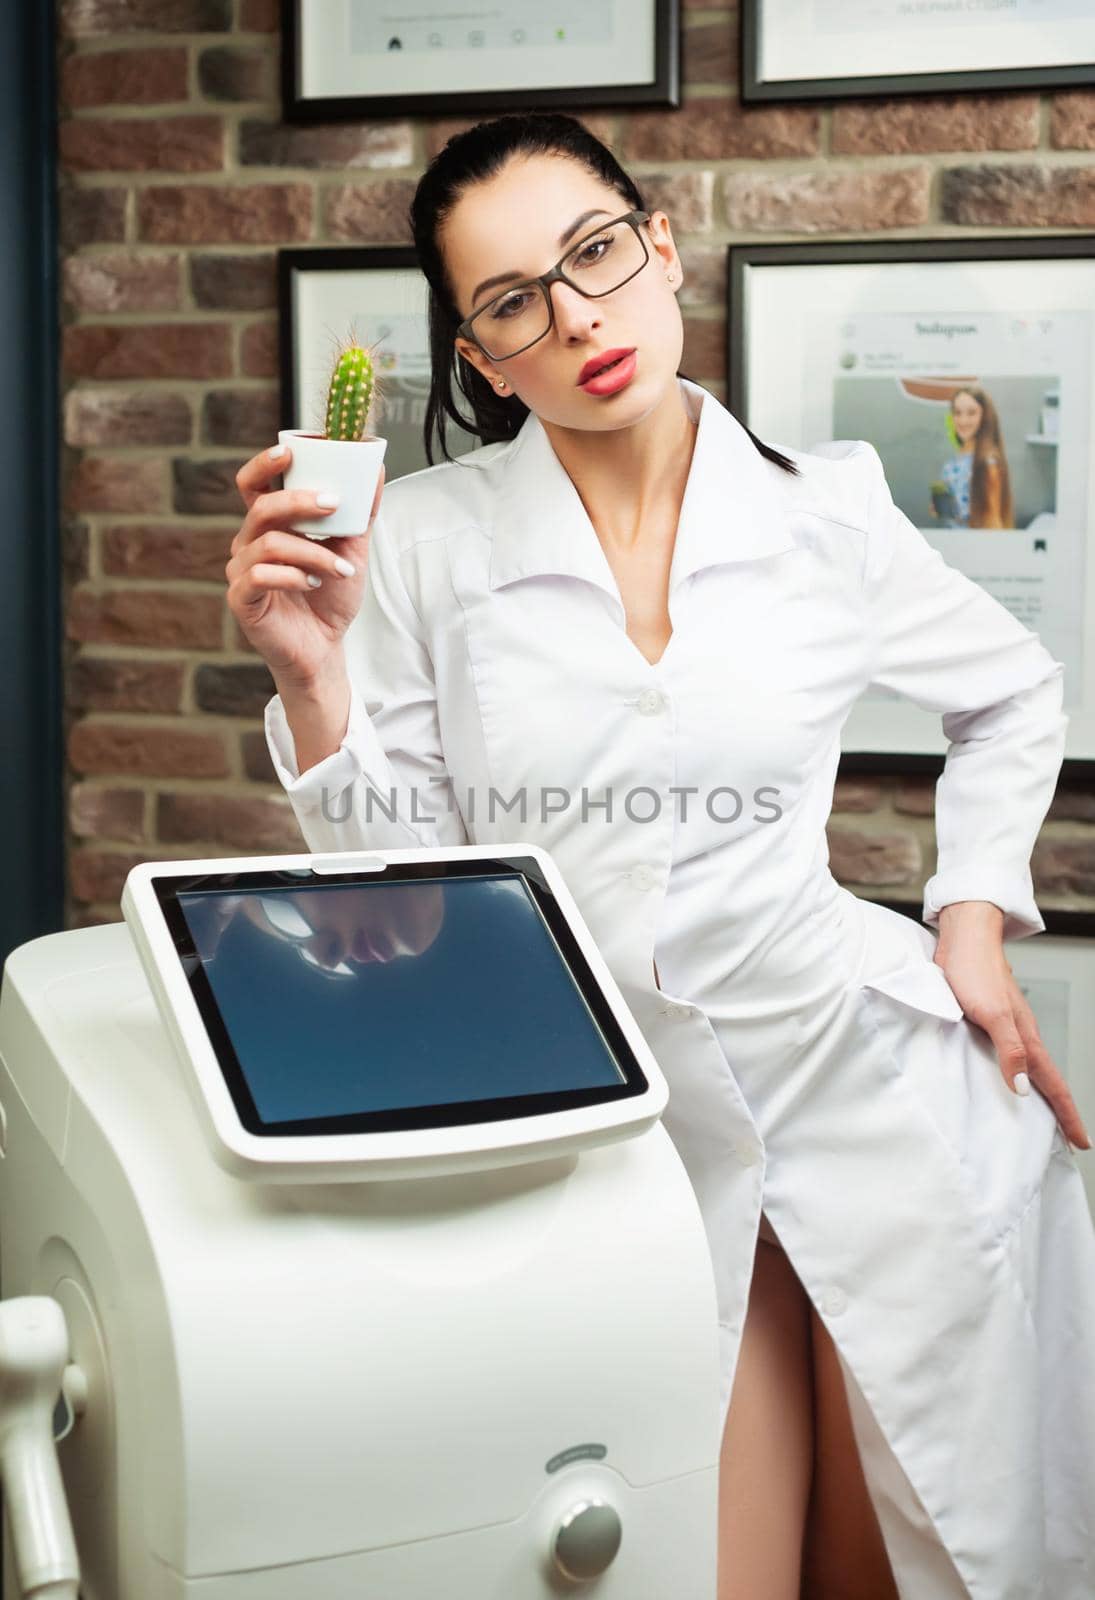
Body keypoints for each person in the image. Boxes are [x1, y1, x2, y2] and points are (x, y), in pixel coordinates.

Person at [224, 112, 1095, 1599]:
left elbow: (1013, 691)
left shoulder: (824, 512)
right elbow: (408, 911)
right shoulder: (421, 546)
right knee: (700, 1566)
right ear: (480, 355)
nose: (574, 316)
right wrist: (314, 678)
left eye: (594, 255)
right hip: (635, 1148)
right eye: (511, 301)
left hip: (879, 1097)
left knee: (926, 1550)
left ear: (659, 245)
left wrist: (964, 916)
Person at [930, 384, 1014, 529]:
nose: (963, 420)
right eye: (957, 413)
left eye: (971, 413)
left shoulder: (988, 463)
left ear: (984, 416)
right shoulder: (956, 459)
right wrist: (941, 509)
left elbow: (994, 522)